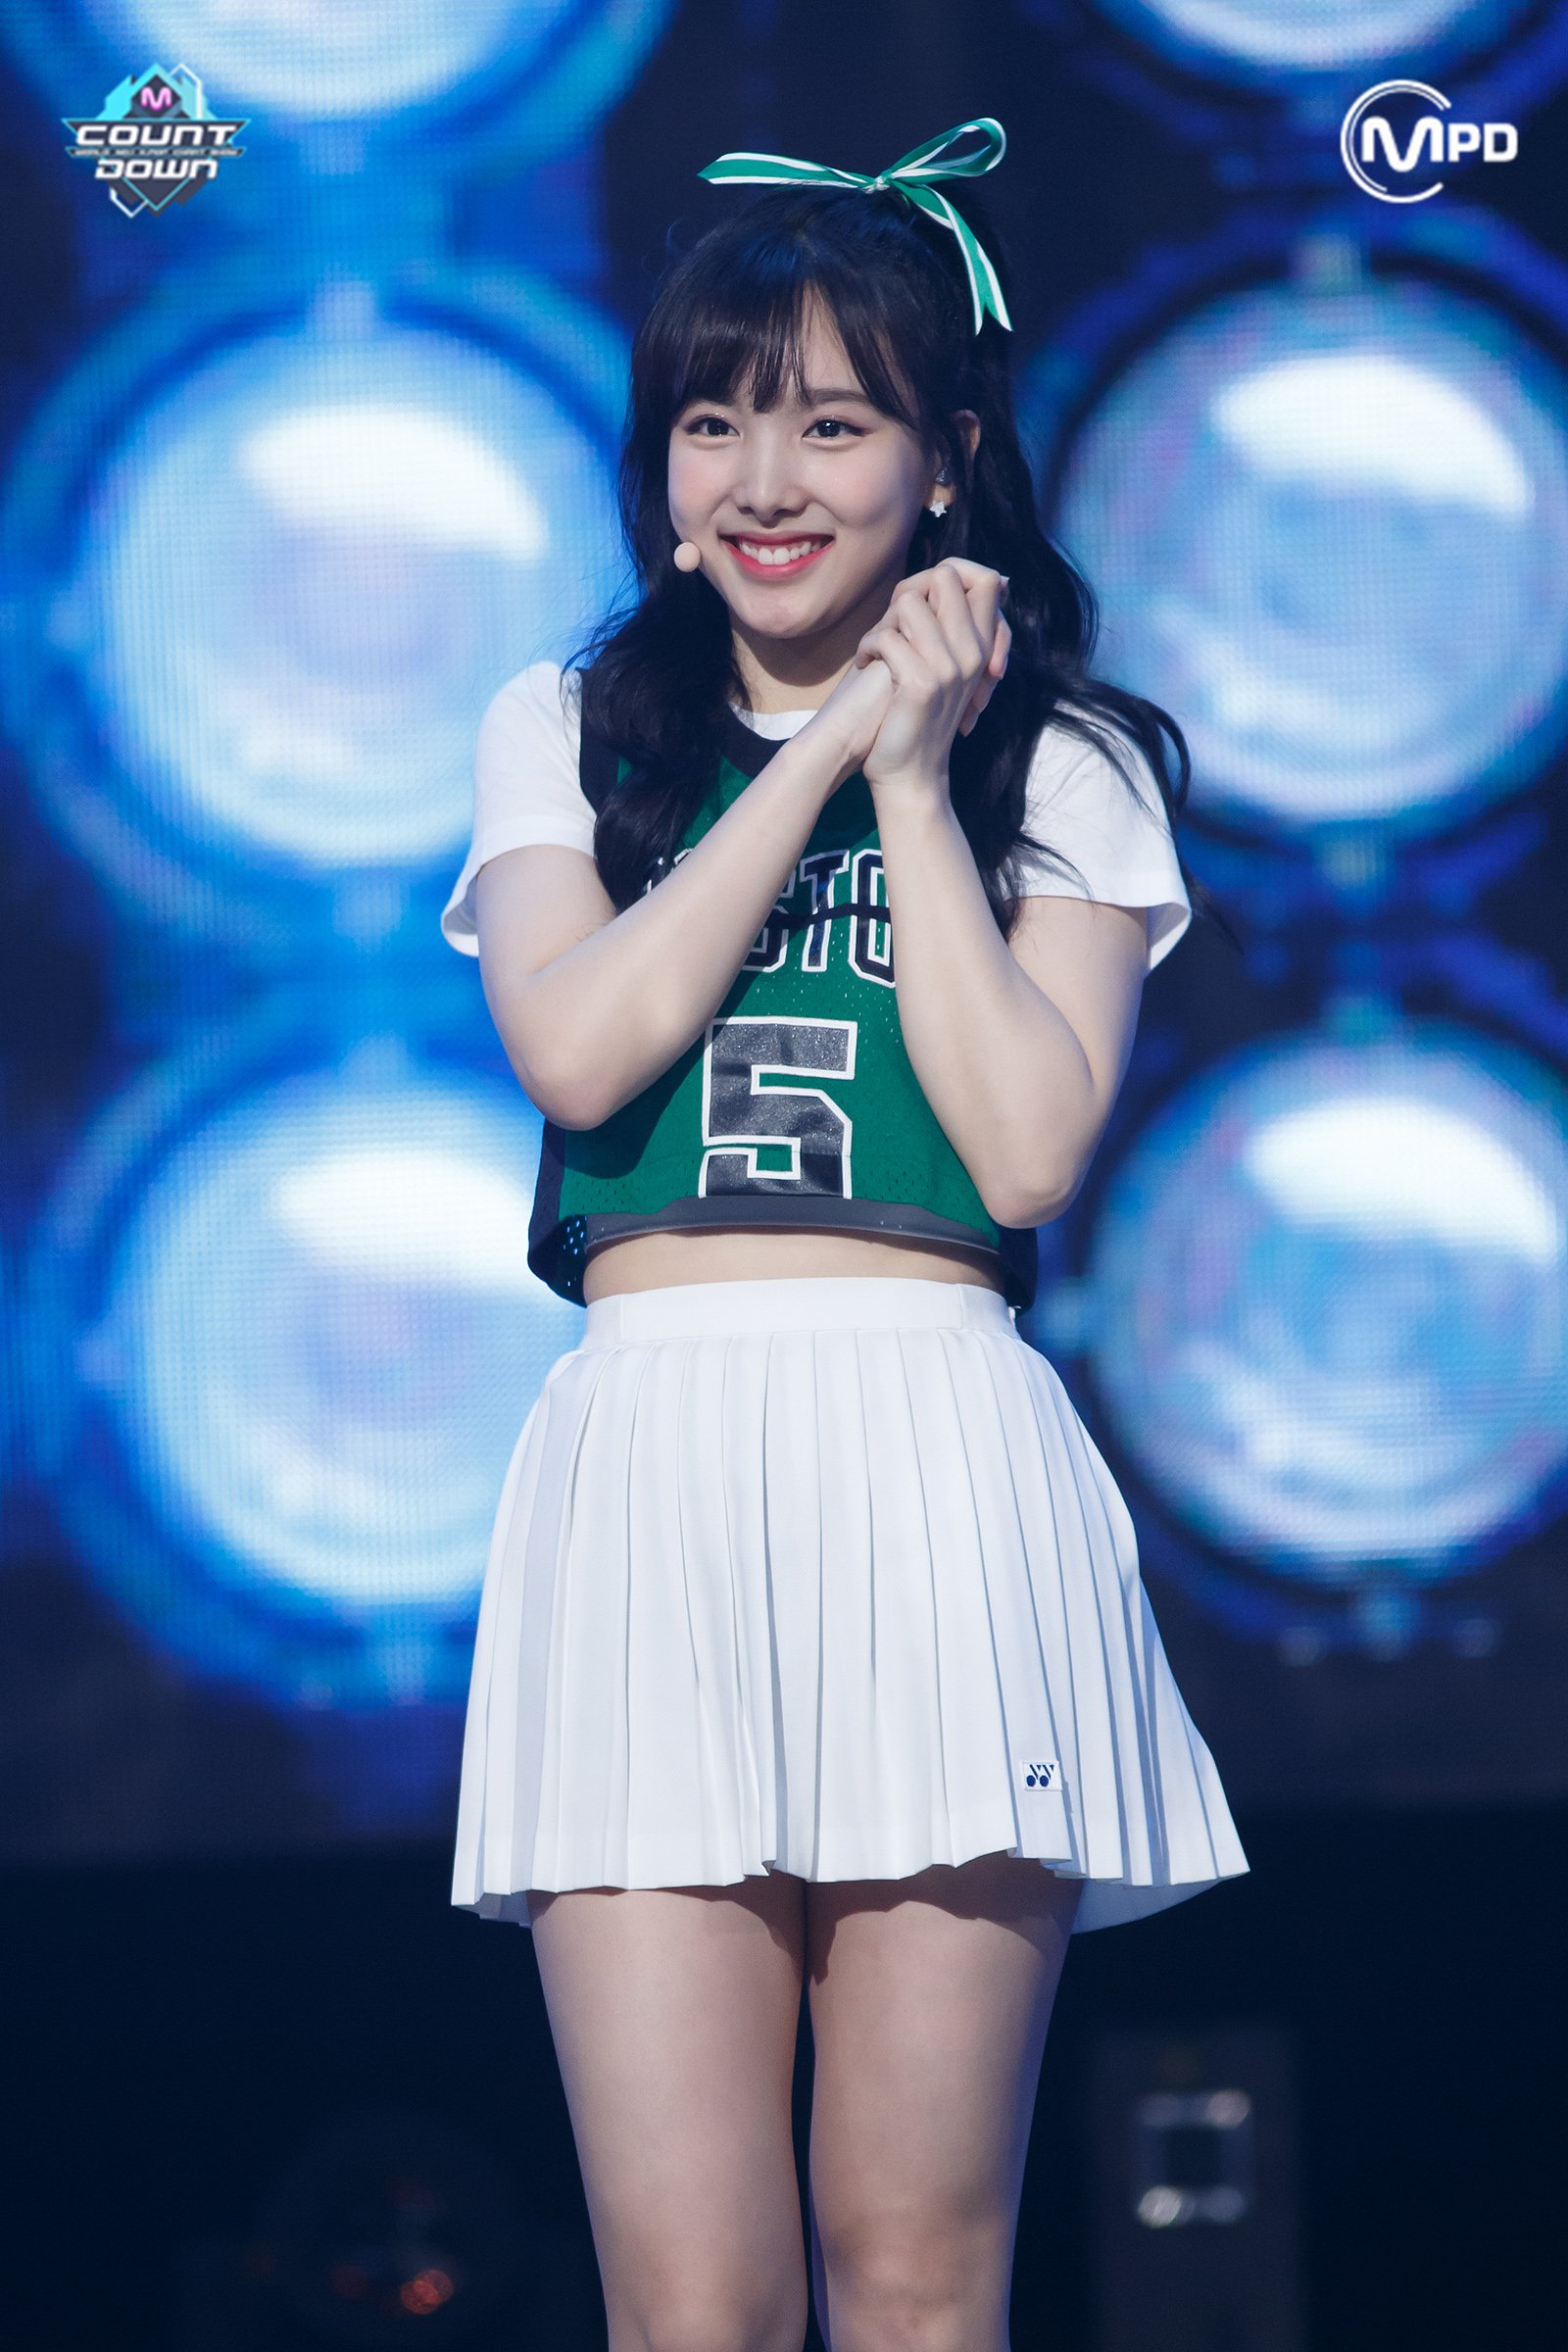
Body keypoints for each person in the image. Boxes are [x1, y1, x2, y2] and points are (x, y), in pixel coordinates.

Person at [440, 118, 1248, 2352]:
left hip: (933, 1466)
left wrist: (912, 772)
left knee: (911, 2276)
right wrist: (808, 755)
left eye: (827, 421)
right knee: (692, 2301)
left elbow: (1023, 1152)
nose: (761, 479)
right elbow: (578, 1051)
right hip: (648, 1472)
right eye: (712, 423)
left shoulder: (1063, 763)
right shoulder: (567, 728)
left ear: (944, 462)